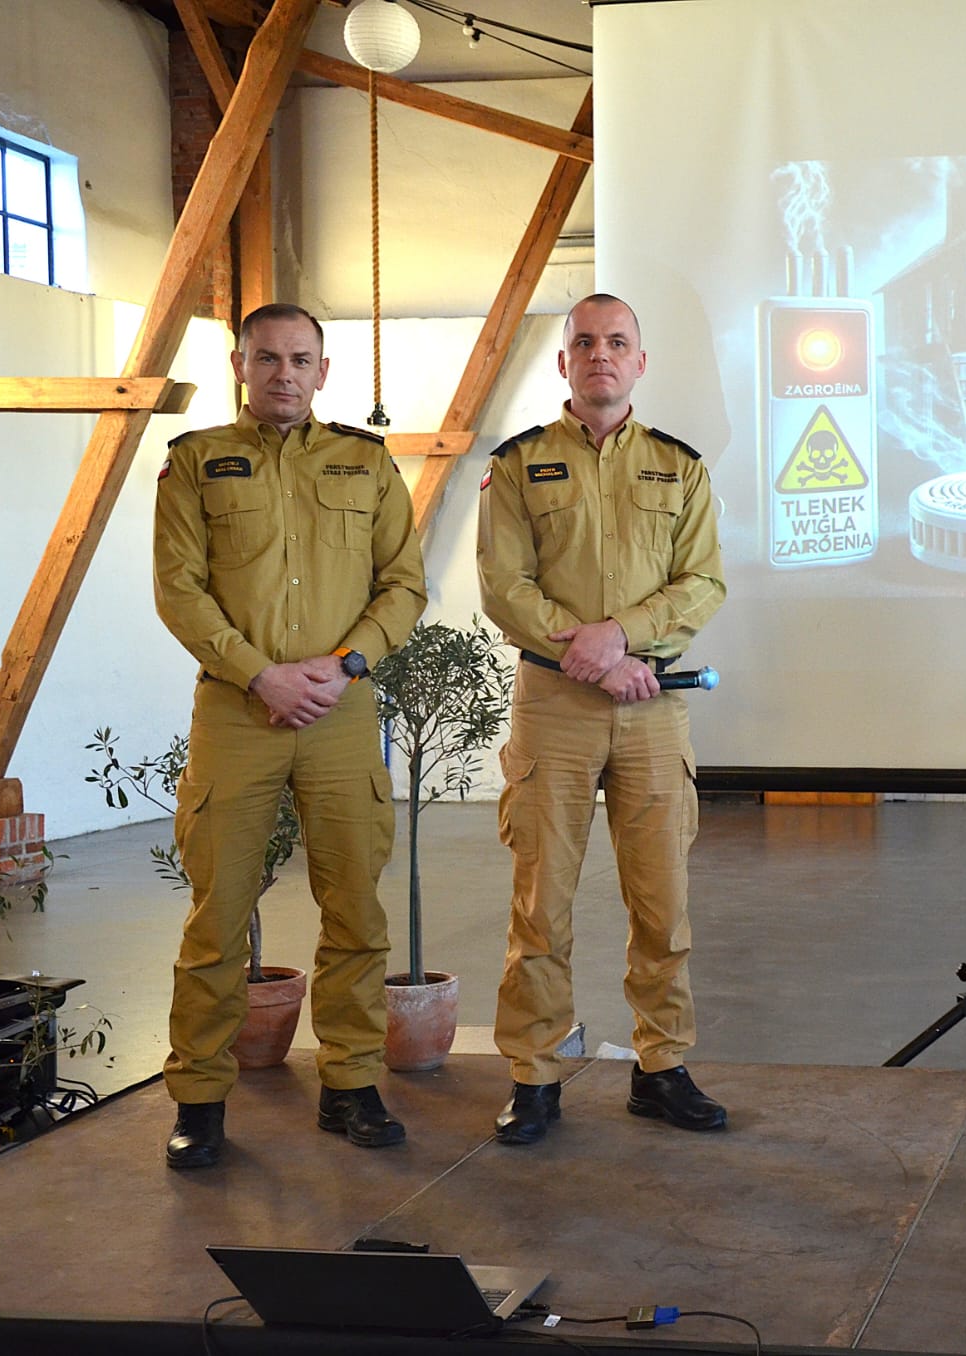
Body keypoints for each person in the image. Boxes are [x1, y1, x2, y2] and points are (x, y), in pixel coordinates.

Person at [152, 303, 428, 1170]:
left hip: (341, 712)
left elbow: (403, 585)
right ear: (241, 364)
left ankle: (351, 1083)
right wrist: (259, 674)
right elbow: (179, 590)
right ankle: (200, 1098)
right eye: (267, 357)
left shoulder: (366, 462)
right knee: (217, 914)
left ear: (323, 370)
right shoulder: (195, 462)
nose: (284, 373)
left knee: (355, 908)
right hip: (238, 713)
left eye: (300, 359)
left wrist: (345, 665)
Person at [476, 293, 728, 1143]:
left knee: (662, 903)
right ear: (564, 362)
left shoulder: (678, 467)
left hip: (651, 709)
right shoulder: (519, 465)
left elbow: (703, 582)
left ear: (640, 362)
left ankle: (662, 1067)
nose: (600, 355)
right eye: (584, 342)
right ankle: (535, 1075)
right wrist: (591, 654)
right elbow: (504, 586)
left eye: (618, 342)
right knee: (540, 904)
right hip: (555, 706)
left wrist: (623, 637)